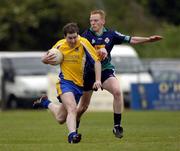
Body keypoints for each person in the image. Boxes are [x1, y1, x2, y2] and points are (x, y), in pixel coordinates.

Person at [76, 9, 163, 138]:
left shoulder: (111, 34)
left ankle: (117, 126)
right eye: (91, 21)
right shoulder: (86, 35)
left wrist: (148, 40)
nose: (92, 23)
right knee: (83, 107)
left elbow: (131, 39)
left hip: (105, 70)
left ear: (103, 21)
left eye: (96, 20)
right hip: (89, 72)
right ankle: (74, 129)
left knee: (117, 91)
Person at [33, 22, 102, 144]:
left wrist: (97, 80)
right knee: (72, 108)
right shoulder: (60, 45)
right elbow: (45, 57)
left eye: (75, 37)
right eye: (70, 38)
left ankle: (45, 102)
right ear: (65, 37)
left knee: (60, 118)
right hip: (65, 82)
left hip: (78, 85)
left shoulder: (83, 43)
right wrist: (44, 59)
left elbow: (97, 61)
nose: (73, 40)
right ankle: (72, 136)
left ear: (78, 35)